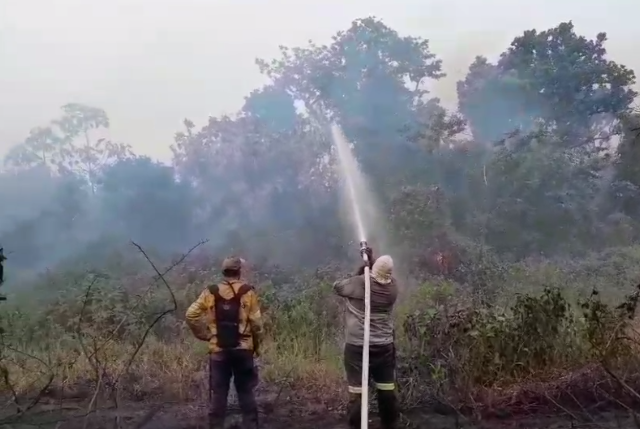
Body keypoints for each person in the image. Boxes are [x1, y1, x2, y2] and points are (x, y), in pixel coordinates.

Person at [185, 256, 264, 429]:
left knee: (219, 394)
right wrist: (256, 347)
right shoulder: (248, 292)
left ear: (223, 271)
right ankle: (251, 426)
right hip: (243, 350)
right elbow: (257, 325)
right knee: (245, 392)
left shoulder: (210, 292)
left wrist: (204, 335)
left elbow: (190, 314)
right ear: (238, 271)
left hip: (218, 351)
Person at [333, 247, 399, 429]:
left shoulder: (360, 283)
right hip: (384, 347)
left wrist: (363, 265)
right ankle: (389, 424)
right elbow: (375, 281)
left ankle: (356, 425)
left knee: (357, 391)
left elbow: (338, 286)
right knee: (386, 389)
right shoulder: (393, 288)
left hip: (357, 346)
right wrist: (370, 263)